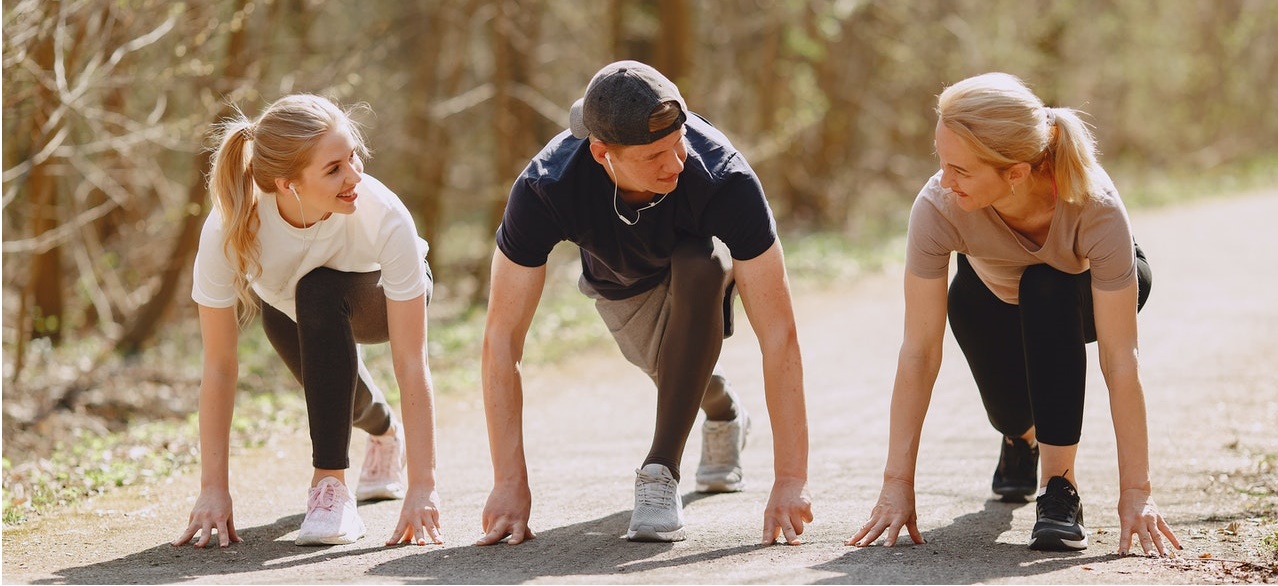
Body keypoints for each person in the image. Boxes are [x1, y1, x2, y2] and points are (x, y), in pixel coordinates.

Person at [476, 60, 813, 545]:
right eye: (654, 155)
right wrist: (508, 484)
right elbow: (501, 340)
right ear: (601, 152)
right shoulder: (546, 188)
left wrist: (790, 480)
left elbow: (780, 333)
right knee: (684, 377)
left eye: (679, 144)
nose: (675, 163)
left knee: (700, 261)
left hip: (698, 269)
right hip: (622, 287)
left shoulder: (723, 177)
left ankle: (659, 475)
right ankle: (725, 413)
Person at [847, 73, 1182, 555]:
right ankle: (1020, 439)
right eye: (942, 162)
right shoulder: (939, 206)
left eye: (960, 169)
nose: (944, 179)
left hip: (1081, 292)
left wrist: (1138, 494)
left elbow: (1120, 360)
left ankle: (1058, 489)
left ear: (1016, 173)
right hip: (988, 295)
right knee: (1009, 412)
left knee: (1046, 286)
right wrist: (896, 483)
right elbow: (918, 352)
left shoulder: (1093, 204)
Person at [171, 94, 443, 548]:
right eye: (333, 168)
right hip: (293, 309)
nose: (355, 174)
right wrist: (212, 489)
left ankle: (330, 490)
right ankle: (384, 433)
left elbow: (412, 362)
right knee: (335, 390)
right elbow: (218, 367)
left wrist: (423, 487)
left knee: (318, 290)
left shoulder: (384, 213)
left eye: (353, 156)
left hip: (379, 297)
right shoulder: (230, 228)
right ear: (287, 184)